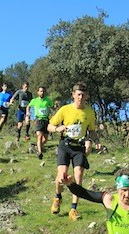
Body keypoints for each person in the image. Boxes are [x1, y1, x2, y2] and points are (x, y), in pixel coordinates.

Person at [47, 82, 101, 221]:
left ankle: (73, 209)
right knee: (62, 177)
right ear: (73, 95)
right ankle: (57, 197)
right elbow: (50, 126)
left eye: (83, 95)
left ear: (86, 96)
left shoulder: (89, 112)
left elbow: (92, 130)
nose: (80, 97)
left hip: (79, 148)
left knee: (78, 177)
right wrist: (57, 129)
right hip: (65, 145)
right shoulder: (65, 109)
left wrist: (96, 141)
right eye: (78, 94)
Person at [26, 86, 54, 159]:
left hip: (46, 120)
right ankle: (40, 152)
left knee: (45, 139)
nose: (42, 93)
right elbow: (28, 106)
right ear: (38, 92)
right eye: (41, 91)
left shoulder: (48, 100)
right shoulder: (34, 100)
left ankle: (37, 147)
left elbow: (53, 107)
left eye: (43, 91)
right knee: (39, 136)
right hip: (38, 120)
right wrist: (28, 112)